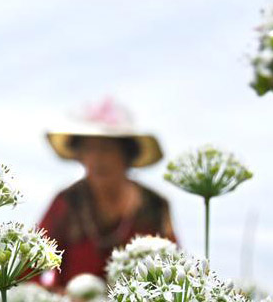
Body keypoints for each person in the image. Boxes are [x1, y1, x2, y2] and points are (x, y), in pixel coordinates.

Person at [38, 98, 176, 290]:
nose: (98, 159)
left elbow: (173, 268)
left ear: (127, 155)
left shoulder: (155, 205)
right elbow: (30, 263)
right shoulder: (67, 201)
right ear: (79, 156)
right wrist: (55, 297)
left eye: (107, 149)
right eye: (89, 149)